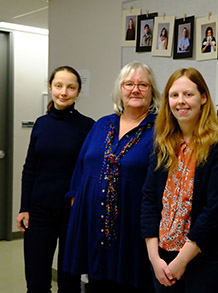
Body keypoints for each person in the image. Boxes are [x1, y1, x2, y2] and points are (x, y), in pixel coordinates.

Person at [63, 62, 161, 292]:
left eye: (142, 85)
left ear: (152, 91)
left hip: (134, 232)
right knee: (97, 286)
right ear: (120, 90)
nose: (135, 89)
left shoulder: (161, 129)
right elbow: (81, 168)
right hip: (95, 230)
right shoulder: (102, 125)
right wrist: (77, 205)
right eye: (129, 84)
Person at [141, 68, 218, 293]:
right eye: (174, 95)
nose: (180, 101)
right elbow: (148, 201)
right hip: (163, 261)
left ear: (203, 98)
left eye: (188, 94)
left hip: (205, 263)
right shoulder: (162, 144)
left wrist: (181, 261)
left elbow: (215, 211)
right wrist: (155, 258)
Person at [16, 66, 95, 293]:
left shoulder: (88, 126)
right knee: (36, 278)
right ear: (50, 87)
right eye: (58, 86)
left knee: (69, 281)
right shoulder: (41, 124)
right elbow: (29, 168)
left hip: (72, 211)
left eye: (71, 87)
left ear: (78, 91)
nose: (64, 92)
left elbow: (89, 170)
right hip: (39, 210)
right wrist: (24, 207)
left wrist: (80, 201)